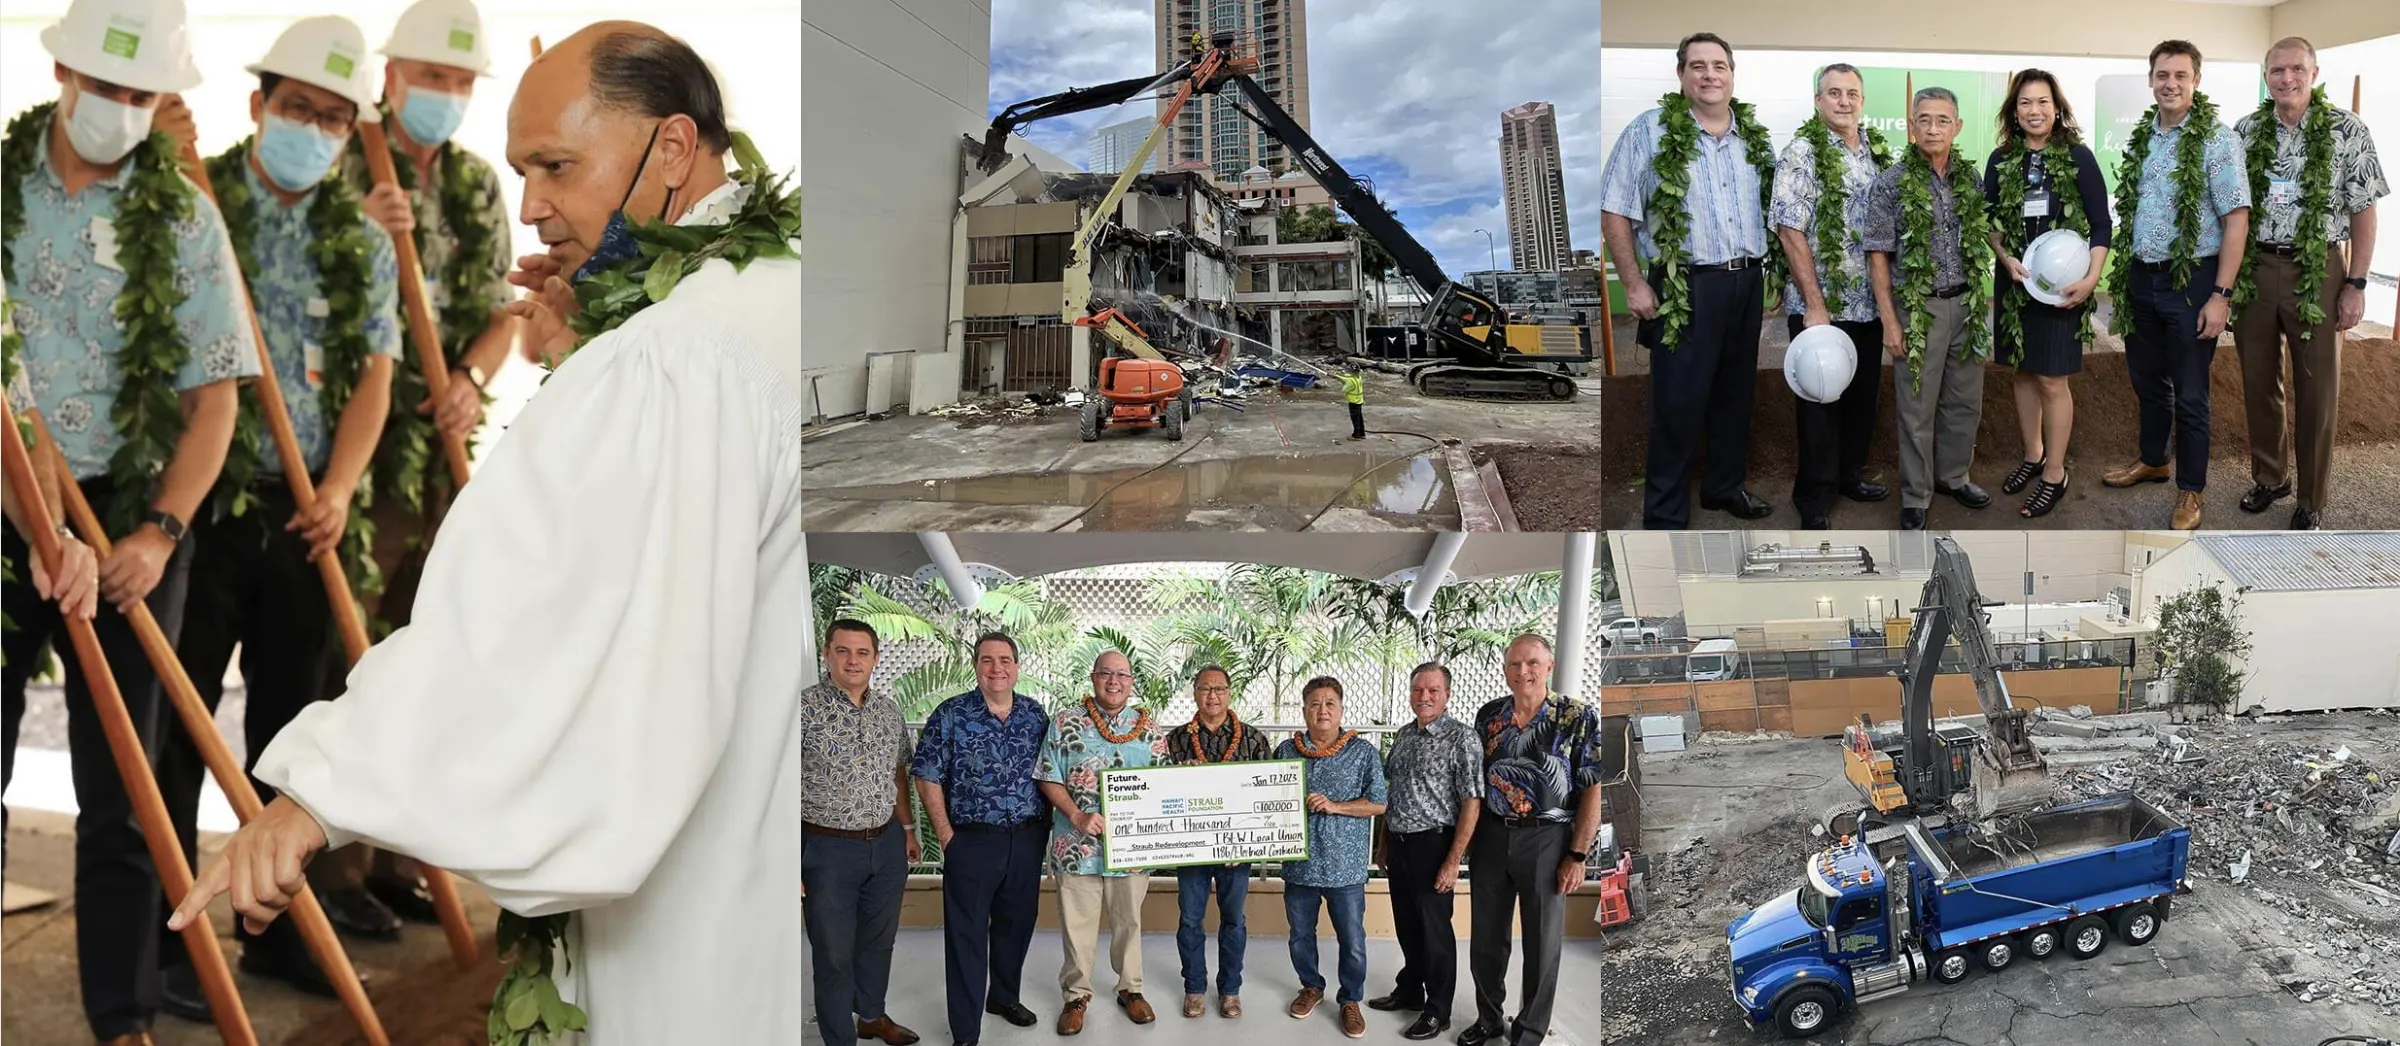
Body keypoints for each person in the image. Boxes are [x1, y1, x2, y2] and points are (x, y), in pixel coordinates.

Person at [163, 22, 807, 1044]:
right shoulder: (766, 290)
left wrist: (316, 793)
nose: (532, 205)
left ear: (674, 148)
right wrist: (591, 343)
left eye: (557, 165)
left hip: (676, 923)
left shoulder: (674, 355)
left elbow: (530, 623)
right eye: (521, 172)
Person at [2, 1, 259, 1041]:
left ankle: (124, 1013)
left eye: (138, 93)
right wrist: (36, 528)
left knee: (128, 787)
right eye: (103, 85)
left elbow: (215, 401)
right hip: (7, 502)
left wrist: (158, 533)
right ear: (62, 74)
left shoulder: (186, 219)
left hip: (133, 521)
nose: (117, 106)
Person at [150, 14, 402, 1019]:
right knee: (177, 728)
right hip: (203, 513)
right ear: (259, 106)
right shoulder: (190, 198)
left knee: (293, 735)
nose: (315, 130)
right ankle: (166, 940)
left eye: (335, 118)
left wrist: (338, 488)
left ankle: (276, 933)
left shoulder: (361, 238)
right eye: (299, 108)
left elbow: (375, 376)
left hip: (304, 519)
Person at [324, 0, 520, 931]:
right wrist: (360, 228)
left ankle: (406, 859)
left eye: (459, 81)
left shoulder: (477, 183)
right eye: (431, 77)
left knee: (432, 648)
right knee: (351, 654)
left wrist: (472, 380)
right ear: (392, 77)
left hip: (441, 454)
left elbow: (503, 312)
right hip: (361, 461)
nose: (446, 93)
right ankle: (338, 872)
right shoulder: (345, 162)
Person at [1600, 32, 1777, 529]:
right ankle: (1664, 513)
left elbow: (1772, 212)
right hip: (1685, 286)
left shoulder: (1754, 138)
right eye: (1697, 65)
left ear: (1732, 74)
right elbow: (1615, 209)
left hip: (1746, 280)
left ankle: (1724, 487)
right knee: (1677, 402)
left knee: (1735, 395)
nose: (1709, 74)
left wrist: (1776, 277)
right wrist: (1634, 283)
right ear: (1681, 75)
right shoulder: (1649, 131)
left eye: (1719, 65)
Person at [2232, 36, 2388, 531]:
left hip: (2320, 268)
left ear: (2314, 74)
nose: (2287, 78)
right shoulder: (2246, 131)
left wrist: (2357, 283)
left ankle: (2311, 496)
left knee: (2317, 386)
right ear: (2266, 77)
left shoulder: (2347, 129)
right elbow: (2231, 209)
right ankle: (2270, 477)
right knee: (2259, 380)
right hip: (2256, 267)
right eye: (2277, 70)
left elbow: (2364, 212)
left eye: (2297, 69)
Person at [2100, 39, 2250, 531]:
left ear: (2196, 81)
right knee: (2146, 379)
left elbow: (2236, 220)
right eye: (2162, 75)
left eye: (2181, 75)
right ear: (2150, 80)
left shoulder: (2217, 140)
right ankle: (2153, 460)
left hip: (2192, 280)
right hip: (2141, 276)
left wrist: (2220, 295)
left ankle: (2192, 489)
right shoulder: (2144, 137)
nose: (2171, 84)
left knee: (2190, 392)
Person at [1460, 635, 1605, 1046]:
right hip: (1492, 835)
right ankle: (1489, 1019)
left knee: (1542, 944)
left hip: (1548, 840)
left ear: (1549, 666)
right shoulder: (1489, 715)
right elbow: (1475, 782)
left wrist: (1577, 854)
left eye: (1532, 663)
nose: (1523, 671)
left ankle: (1528, 1033)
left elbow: (1591, 790)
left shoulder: (1577, 716)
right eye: (1514, 664)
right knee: (1486, 939)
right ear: (1505, 669)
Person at [1863, 87, 1995, 531]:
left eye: (1942, 120)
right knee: (1916, 408)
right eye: (1924, 119)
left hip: (1967, 305)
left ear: (1957, 127)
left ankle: (1954, 477)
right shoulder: (1891, 183)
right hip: (1918, 310)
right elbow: (1878, 254)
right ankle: (1916, 495)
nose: (1933, 128)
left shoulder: (1970, 179)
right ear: (1911, 125)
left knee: (1965, 402)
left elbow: (1985, 235)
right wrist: (1889, 320)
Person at [1983, 69, 2112, 520]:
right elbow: (1989, 223)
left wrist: (2091, 279)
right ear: (2013, 111)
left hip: (2062, 286)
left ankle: (2055, 474)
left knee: (2052, 380)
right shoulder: (2001, 158)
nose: (2034, 110)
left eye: (2042, 102)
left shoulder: (2078, 156)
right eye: (2025, 102)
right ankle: (2033, 455)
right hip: (2016, 282)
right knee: (2022, 372)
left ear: (2056, 108)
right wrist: (2005, 259)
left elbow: (2101, 224)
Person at [911, 632, 1051, 1046]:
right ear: (976, 666)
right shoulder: (952, 713)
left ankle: (1004, 998)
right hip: (971, 841)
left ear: (1017, 666)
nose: (997, 668)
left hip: (1026, 838)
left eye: (1005, 660)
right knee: (966, 936)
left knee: (1016, 925)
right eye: (987, 660)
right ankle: (966, 1031)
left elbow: (1052, 772)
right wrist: (946, 836)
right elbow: (926, 774)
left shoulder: (1034, 715)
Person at [1769, 63, 1891, 529]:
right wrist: (1815, 305)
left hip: (1868, 304)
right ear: (1818, 101)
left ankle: (1848, 477)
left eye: (1851, 93)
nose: (1843, 101)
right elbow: (1790, 229)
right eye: (1834, 93)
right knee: (1820, 403)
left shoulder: (1876, 153)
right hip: (1821, 310)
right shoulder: (1802, 152)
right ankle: (1814, 499)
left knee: (1861, 399)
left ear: (1862, 100)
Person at [797, 619, 923, 1046]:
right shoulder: (803, 709)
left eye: (862, 652)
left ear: (875, 658)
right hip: (826, 847)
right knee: (833, 953)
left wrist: (908, 829)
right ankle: (839, 1039)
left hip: (885, 843)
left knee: (878, 941)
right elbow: (777, 786)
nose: (853, 661)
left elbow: (898, 773)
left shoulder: (888, 711)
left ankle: (871, 1016)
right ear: (827, 654)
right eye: (843, 651)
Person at [1036, 649, 1169, 1036]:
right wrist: (1077, 815)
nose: (1114, 681)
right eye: (1106, 673)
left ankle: (1131, 989)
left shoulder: (1149, 729)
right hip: (1076, 846)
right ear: (1094, 677)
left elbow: (1165, 786)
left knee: (1129, 921)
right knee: (1077, 926)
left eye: (1122, 675)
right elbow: (1047, 776)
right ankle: (1076, 995)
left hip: (1132, 849)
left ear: (1131, 682)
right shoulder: (1065, 722)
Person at [1366, 663, 1481, 1042]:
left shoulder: (1462, 738)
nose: (1424, 697)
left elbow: (1472, 801)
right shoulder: (1403, 735)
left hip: (1435, 845)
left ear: (1447, 694)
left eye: (1433, 690)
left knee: (1435, 933)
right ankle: (1410, 990)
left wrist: (1453, 860)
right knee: (1408, 925)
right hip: (1400, 845)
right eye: (1418, 689)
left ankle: (1438, 1010)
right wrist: (1384, 842)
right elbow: (1394, 793)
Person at [1272, 677, 1386, 1041]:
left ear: (1341, 709)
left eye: (1330, 703)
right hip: (1299, 865)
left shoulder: (1362, 752)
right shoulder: (1286, 751)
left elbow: (1378, 803)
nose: (1322, 710)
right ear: (1304, 709)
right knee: (1299, 936)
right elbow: (1267, 800)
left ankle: (1350, 1000)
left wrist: (1336, 806)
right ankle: (1311, 986)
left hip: (1345, 866)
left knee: (1352, 939)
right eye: (1315, 703)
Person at [1166, 664, 1270, 1020]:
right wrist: (1178, 778)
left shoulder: (1253, 740)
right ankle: (1194, 988)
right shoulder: (1176, 740)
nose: (1212, 695)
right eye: (1205, 689)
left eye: (1219, 689)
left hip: (1236, 851)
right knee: (1190, 919)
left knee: (1234, 920)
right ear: (1194, 693)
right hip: (1191, 849)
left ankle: (1230, 990)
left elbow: (1265, 797)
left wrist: (1247, 844)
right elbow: (1162, 795)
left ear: (1229, 693)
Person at [1340, 365, 1366, 440]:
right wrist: (1336, 377)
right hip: (1359, 401)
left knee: (1355, 419)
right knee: (1359, 418)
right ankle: (1362, 433)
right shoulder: (1358, 377)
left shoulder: (1350, 381)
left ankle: (1356, 435)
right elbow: (1345, 379)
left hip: (1353, 402)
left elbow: (1344, 390)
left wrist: (1343, 383)